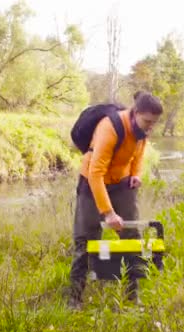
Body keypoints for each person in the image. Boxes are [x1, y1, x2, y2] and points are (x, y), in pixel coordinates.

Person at [68, 91, 164, 310]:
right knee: (85, 242)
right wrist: (108, 212)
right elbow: (95, 173)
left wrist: (136, 174)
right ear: (135, 113)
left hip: (121, 182)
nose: (150, 127)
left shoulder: (142, 130)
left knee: (131, 238)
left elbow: (137, 154)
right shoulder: (109, 128)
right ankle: (74, 300)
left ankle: (132, 296)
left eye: (154, 123)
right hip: (92, 183)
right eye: (147, 121)